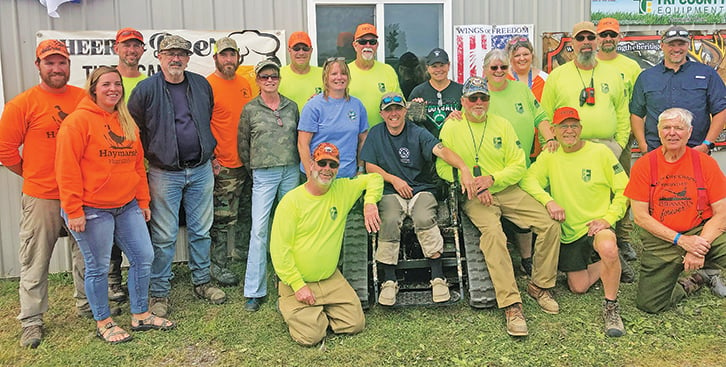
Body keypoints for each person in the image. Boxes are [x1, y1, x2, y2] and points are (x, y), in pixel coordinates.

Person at [56, 66, 176, 344]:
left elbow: (137, 165)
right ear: (94, 88)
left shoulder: (126, 121)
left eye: (117, 84)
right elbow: (66, 169)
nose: (113, 89)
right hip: (91, 208)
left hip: (126, 204)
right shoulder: (77, 122)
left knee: (143, 257)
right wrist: (73, 210)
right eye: (106, 84)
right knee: (97, 266)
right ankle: (104, 321)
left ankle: (140, 315)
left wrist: (143, 201)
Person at [436, 76, 562, 337]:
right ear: (463, 102)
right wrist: (468, 180)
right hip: (474, 196)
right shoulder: (452, 127)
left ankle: (540, 285)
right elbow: (441, 166)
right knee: (493, 234)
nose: (478, 102)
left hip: (506, 188)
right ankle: (511, 304)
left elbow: (518, 165)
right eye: (473, 98)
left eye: (483, 97)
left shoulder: (502, 124)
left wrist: (492, 180)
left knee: (549, 223)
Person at [0, 40, 91, 348]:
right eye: (49, 62)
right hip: (43, 196)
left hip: (80, 195)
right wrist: (33, 175)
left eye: (61, 62)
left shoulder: (83, 99)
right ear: (38, 66)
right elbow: (6, 150)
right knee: (36, 258)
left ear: (69, 66)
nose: (56, 68)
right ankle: (31, 320)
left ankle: (88, 305)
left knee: (87, 255)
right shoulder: (22, 104)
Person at [128, 33, 226, 317]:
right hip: (164, 173)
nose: (176, 58)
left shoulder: (200, 84)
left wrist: (211, 154)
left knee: (201, 230)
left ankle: (202, 281)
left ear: (188, 58)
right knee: (164, 235)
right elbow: (134, 131)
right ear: (158, 57)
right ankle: (159, 292)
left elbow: (205, 122)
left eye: (181, 54)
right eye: (170, 53)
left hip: (200, 170)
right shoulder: (146, 90)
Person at [520, 107, 629, 337]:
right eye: (563, 126)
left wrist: (608, 219)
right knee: (578, 287)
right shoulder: (550, 154)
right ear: (554, 130)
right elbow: (528, 180)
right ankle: (611, 264)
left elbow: (624, 189)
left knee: (608, 247)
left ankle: (611, 306)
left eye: (573, 126)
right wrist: (548, 201)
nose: (569, 131)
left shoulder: (600, 152)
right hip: (570, 231)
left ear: (580, 128)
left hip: (597, 226)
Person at [360, 92, 476, 306]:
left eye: (397, 109)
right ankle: (389, 280)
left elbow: (441, 151)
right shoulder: (376, 134)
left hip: (421, 189)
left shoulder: (417, 132)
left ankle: (438, 276)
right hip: (389, 190)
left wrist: (463, 167)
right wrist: (394, 180)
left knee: (423, 216)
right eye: (389, 110)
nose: (393, 114)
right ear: (382, 114)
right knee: (389, 219)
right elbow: (369, 166)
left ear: (405, 111)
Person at [270, 142, 383, 346]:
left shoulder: (342, 189)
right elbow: (279, 251)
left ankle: (315, 312)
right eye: (322, 163)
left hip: (330, 278)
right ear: (311, 165)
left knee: (355, 323)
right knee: (311, 337)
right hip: (298, 281)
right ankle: (291, 303)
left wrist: (370, 202)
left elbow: (374, 178)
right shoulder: (291, 202)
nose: (327, 169)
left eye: (333, 165)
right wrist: (298, 285)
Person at [625, 108, 726, 313]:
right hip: (662, 239)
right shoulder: (644, 165)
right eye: (667, 128)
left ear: (689, 132)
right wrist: (682, 241)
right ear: (658, 131)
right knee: (650, 304)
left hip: (701, 232)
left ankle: (707, 263)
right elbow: (641, 217)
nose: (672, 133)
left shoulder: (705, 162)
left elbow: (722, 212)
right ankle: (692, 282)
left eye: (679, 128)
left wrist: (698, 246)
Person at [482, 49, 557, 276]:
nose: (498, 71)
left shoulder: (521, 90)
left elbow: (541, 117)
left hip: (521, 166)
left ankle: (527, 258)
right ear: (485, 70)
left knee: (527, 216)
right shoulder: (479, 94)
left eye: (503, 67)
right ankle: (503, 261)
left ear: (509, 69)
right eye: (494, 68)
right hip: (491, 171)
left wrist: (551, 138)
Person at [238, 60, 300, 312]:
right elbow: (243, 144)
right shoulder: (250, 109)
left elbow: (300, 138)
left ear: (279, 79)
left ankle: (291, 283)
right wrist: (253, 168)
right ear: (258, 80)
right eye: (264, 77)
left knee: (291, 229)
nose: (270, 80)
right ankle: (254, 290)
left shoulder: (291, 106)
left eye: (274, 76)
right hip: (263, 174)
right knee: (260, 230)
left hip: (291, 171)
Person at [630, 25, 726, 154]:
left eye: (681, 44)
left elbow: (721, 110)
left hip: (696, 151)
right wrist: (643, 145)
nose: (676, 49)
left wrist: (707, 144)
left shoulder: (707, 74)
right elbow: (636, 114)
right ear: (662, 46)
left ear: (688, 46)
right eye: (671, 44)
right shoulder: (646, 77)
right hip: (656, 152)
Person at [541, 21, 630, 159]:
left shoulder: (613, 74)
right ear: (572, 43)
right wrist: (549, 141)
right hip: (568, 148)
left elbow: (622, 113)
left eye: (591, 38)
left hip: (607, 149)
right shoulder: (557, 76)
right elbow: (545, 115)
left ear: (597, 41)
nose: (586, 42)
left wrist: (619, 145)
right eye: (580, 38)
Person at [206, 37, 254, 286]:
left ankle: (243, 254)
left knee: (246, 214)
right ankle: (218, 265)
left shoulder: (246, 84)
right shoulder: (207, 86)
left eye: (232, 55)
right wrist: (211, 158)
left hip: (246, 164)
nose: (228, 60)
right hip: (222, 166)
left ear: (238, 58)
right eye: (224, 55)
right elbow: (200, 125)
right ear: (215, 58)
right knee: (222, 220)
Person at [595, 17, 642, 264]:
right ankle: (601, 235)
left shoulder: (631, 67)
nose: (608, 39)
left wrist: (626, 139)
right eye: (603, 34)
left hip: (620, 140)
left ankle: (622, 238)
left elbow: (635, 104)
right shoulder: (590, 65)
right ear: (596, 38)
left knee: (623, 188)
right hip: (592, 141)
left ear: (619, 37)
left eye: (612, 34)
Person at [106, 27, 148, 303]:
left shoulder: (149, 83)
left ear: (143, 51)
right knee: (109, 229)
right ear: (116, 48)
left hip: (142, 167)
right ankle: (112, 281)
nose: (131, 50)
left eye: (136, 46)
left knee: (140, 225)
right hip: (110, 168)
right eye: (126, 45)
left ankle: (141, 278)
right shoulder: (107, 83)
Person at [298, 57, 368, 179]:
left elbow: (363, 140)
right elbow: (303, 144)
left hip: (348, 175)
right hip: (319, 176)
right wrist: (310, 176)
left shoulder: (357, 105)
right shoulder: (313, 106)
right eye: (334, 74)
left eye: (343, 73)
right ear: (326, 77)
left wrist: (360, 168)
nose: (339, 77)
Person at [347, 23, 402, 127]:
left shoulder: (388, 70)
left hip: (383, 136)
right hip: (353, 137)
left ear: (377, 45)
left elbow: (399, 105)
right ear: (355, 45)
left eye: (372, 42)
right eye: (363, 42)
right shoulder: (344, 72)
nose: (368, 46)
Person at [408, 48, 463, 138]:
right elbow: (409, 125)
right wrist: (414, 110)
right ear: (427, 68)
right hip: (426, 145)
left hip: (454, 142)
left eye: (442, 65)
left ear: (448, 65)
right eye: (434, 66)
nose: (438, 70)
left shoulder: (460, 90)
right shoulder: (418, 92)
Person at [279, 31, 323, 114]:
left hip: (316, 125)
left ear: (311, 50)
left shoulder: (324, 75)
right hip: (287, 126)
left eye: (305, 49)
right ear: (289, 50)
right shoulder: (276, 76)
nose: (301, 52)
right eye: (296, 49)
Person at [506, 36, 548, 102]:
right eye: (517, 55)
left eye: (525, 54)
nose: (522, 58)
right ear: (510, 58)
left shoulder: (544, 78)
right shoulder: (502, 78)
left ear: (532, 55)